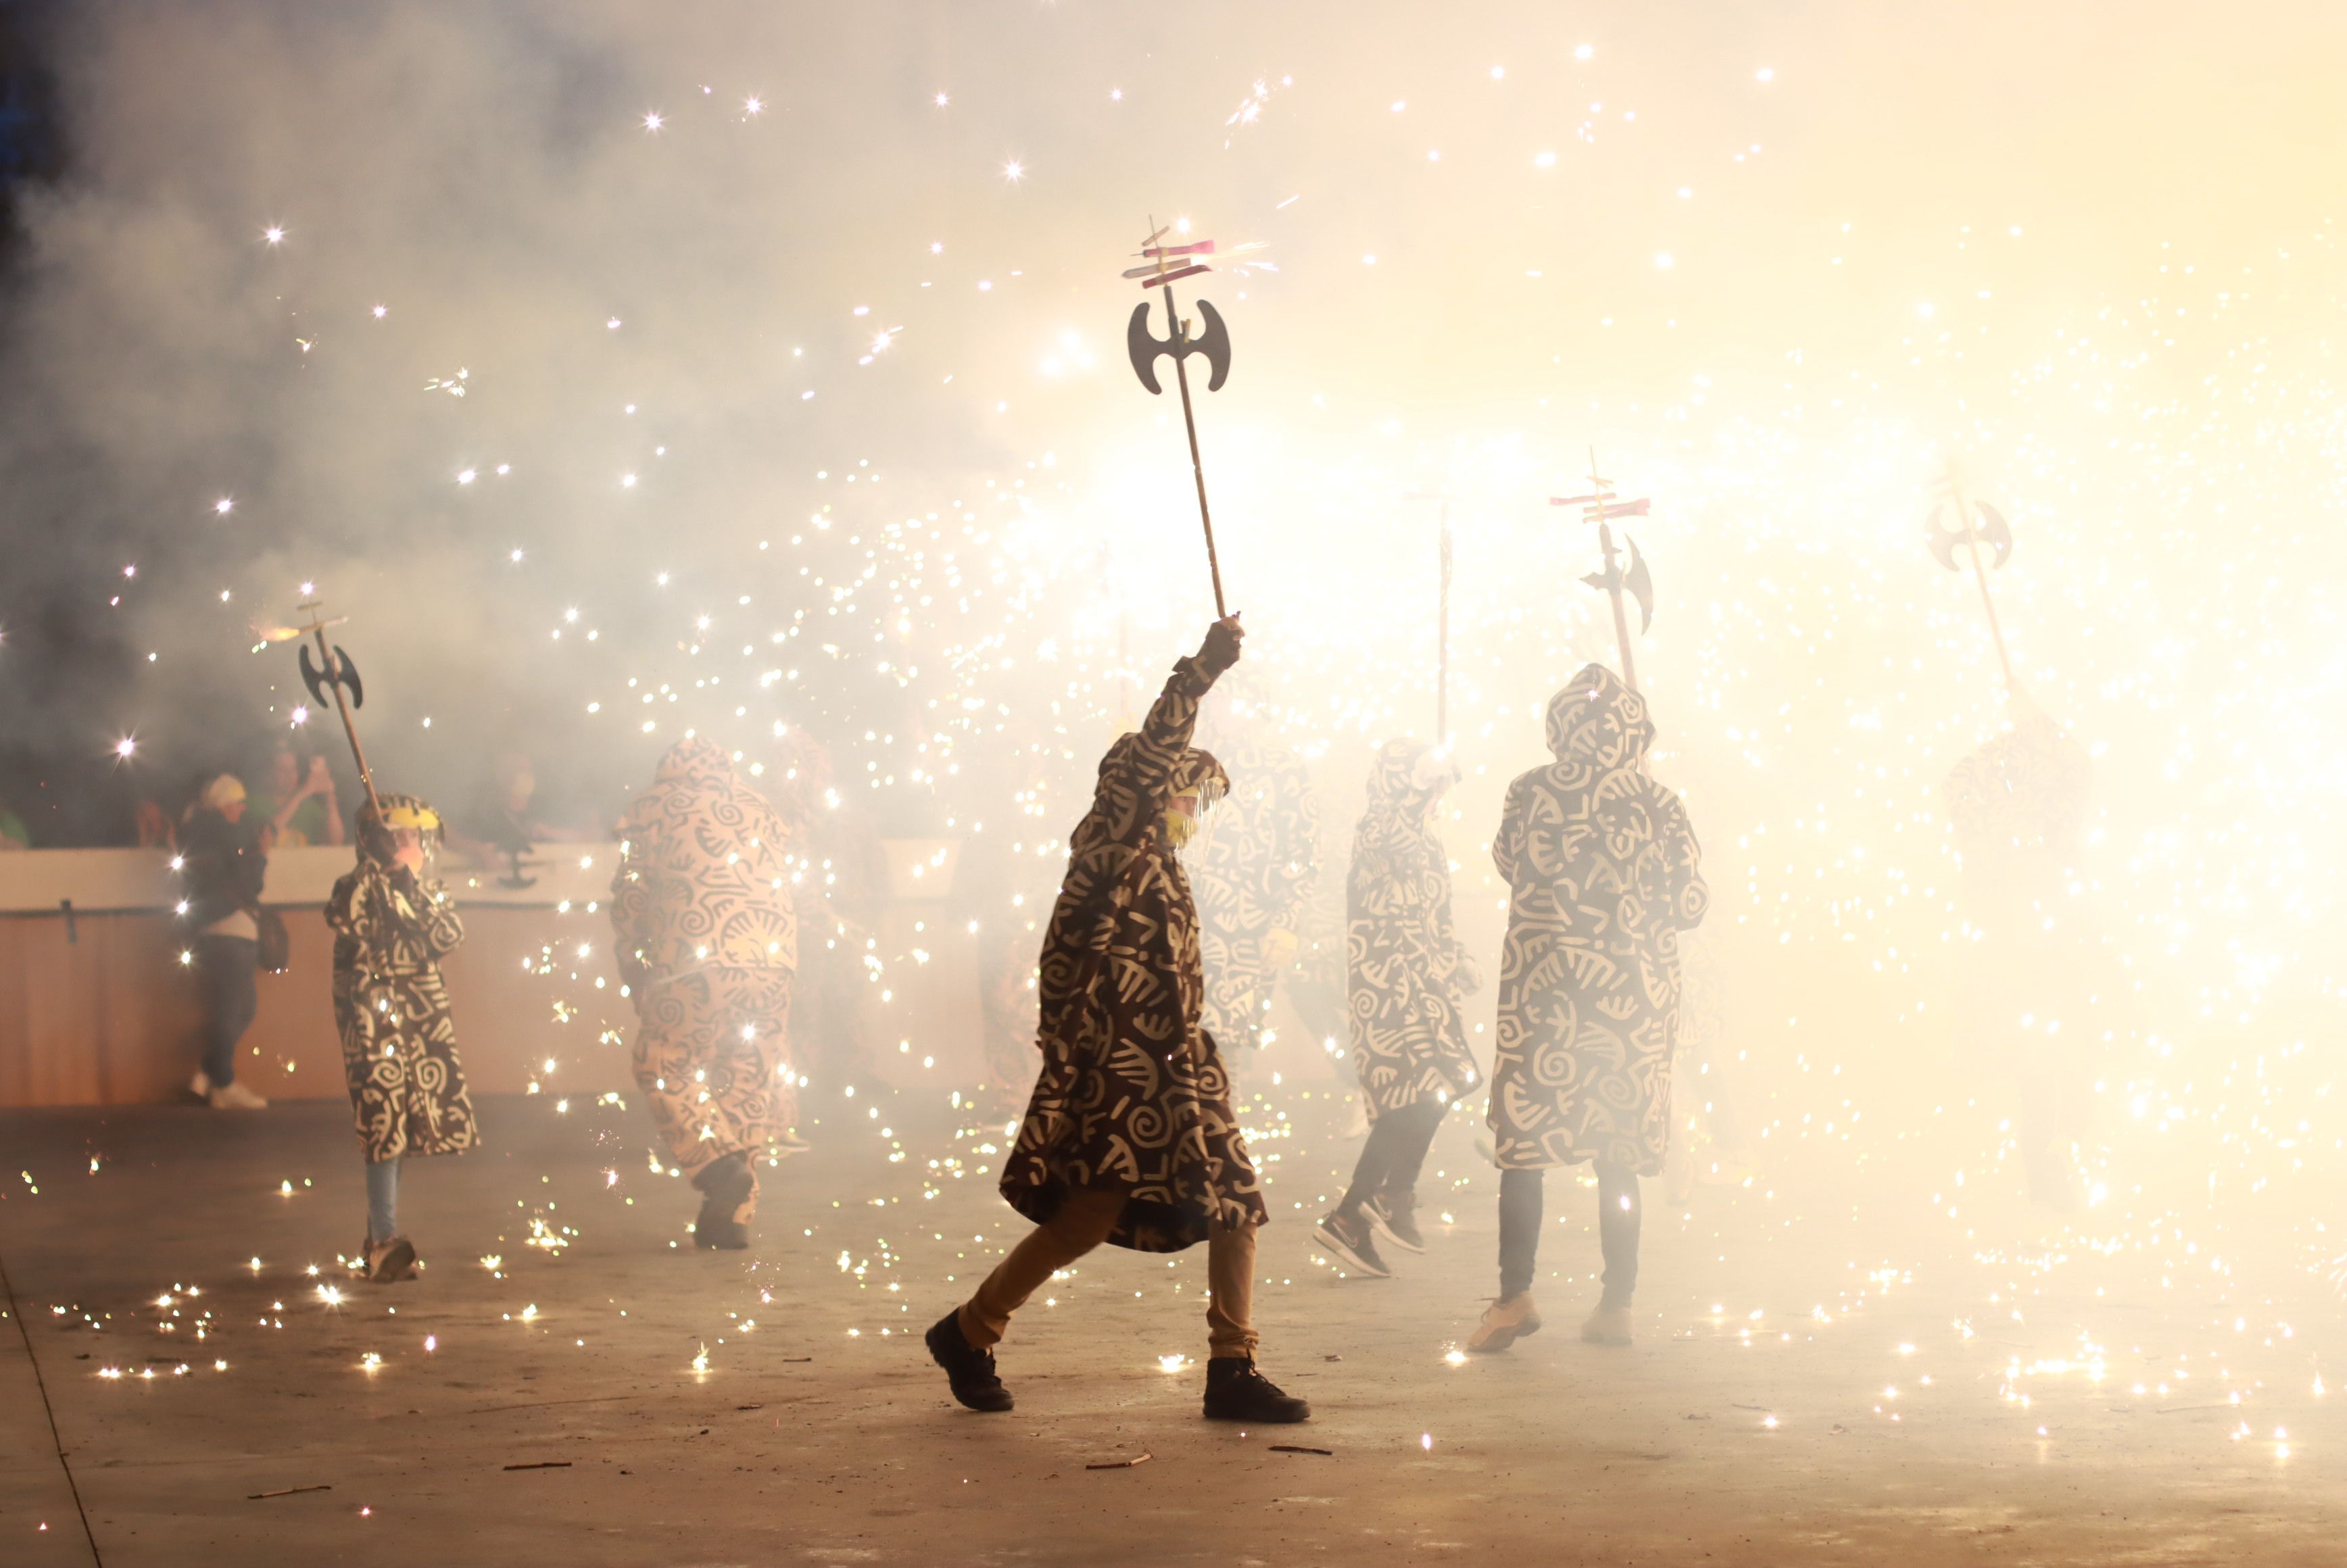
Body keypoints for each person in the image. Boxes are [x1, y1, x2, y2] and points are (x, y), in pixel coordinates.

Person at [925, 616, 1309, 1424]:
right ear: (1155, 787)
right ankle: (971, 1328)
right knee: (1091, 1214)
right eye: (1188, 797)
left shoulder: (1162, 868)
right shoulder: (1110, 848)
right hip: (1120, 1070)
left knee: (1231, 1198)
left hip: (1176, 1062)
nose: (1193, 815)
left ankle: (1229, 1364)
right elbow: (1155, 748)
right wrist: (1202, 670)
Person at [1471, 666, 1707, 1352]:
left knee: (1524, 1147)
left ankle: (1514, 1294)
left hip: (1542, 993)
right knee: (1617, 1152)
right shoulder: (1660, 802)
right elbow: (1688, 906)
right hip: (1631, 999)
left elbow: (1508, 863)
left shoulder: (1527, 790)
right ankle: (1617, 1304)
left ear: (1560, 725)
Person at [610, 737, 798, 1250]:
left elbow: (631, 899)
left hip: (694, 957)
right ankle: (732, 1218)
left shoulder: (652, 807)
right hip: (774, 959)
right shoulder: (761, 806)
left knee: (665, 1062)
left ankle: (717, 1168)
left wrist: (635, 968)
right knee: (746, 1078)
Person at [1314, 740, 1480, 1278]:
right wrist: (1422, 786)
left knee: (1434, 1088)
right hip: (1388, 987)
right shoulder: (1379, 827)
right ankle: (1384, 1199)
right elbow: (1396, 840)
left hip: (1427, 985)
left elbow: (1440, 914)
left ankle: (1356, 1213)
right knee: (1422, 1090)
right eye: (1424, 786)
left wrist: (1459, 958)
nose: (1436, 798)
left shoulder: (1427, 841)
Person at [1944, 689, 2102, 1209]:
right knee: (2042, 1061)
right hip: (2027, 942)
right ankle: (2050, 1179)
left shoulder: (2039, 788)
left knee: (2050, 1060)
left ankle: (2054, 1176)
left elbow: (2073, 776)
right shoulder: (2030, 784)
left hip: (2041, 937)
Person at [327, 794, 475, 1283]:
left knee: (401, 1125)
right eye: (399, 836)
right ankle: (384, 1237)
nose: (409, 846)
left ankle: (377, 1242)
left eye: (413, 837)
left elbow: (446, 935)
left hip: (419, 1023)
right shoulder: (356, 887)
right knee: (382, 1119)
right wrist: (378, 874)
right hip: (372, 1022)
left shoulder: (427, 890)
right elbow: (349, 917)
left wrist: (407, 884)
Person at [1190, 683, 1321, 1067]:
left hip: (1250, 929)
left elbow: (1303, 848)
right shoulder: (1199, 759)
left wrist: (1286, 922)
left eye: (1231, 700)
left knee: (1225, 1044)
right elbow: (1180, 841)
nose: (1221, 709)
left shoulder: (1284, 766)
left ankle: (1222, 1124)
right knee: (1187, 1038)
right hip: (1194, 921)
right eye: (1214, 700)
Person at [177, 775, 270, 1109]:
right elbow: (247, 885)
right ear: (224, 806)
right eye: (238, 803)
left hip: (214, 934)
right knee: (237, 1009)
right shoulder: (226, 837)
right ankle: (223, 1083)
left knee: (231, 1008)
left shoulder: (196, 836)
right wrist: (260, 857)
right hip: (231, 933)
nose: (243, 809)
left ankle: (208, 1074)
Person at [249, 744, 345, 850]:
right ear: (269, 773)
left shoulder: (308, 807)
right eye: (283, 770)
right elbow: (267, 835)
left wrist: (330, 798)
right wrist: (301, 794)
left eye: (293, 769)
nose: (290, 775)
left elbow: (336, 841)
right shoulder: (254, 805)